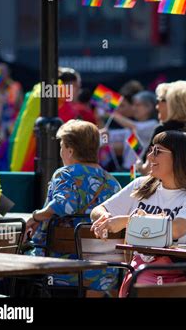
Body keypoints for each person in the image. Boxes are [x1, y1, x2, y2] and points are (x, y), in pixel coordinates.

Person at [89, 131, 186, 297]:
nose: (150, 156)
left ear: (179, 158)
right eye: (151, 150)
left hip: (181, 274)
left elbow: (177, 228)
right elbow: (98, 210)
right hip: (141, 271)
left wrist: (127, 221)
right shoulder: (141, 185)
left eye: (157, 151)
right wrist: (106, 218)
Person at [25, 120, 121, 292]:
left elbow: (64, 205)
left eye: (61, 146)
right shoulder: (113, 183)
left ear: (70, 150)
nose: (60, 152)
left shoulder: (66, 174)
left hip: (61, 269)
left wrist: (35, 216)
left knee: (12, 259)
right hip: (104, 274)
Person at [136, 81, 186, 174]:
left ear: (171, 103)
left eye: (159, 100)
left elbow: (148, 169)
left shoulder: (161, 131)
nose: (157, 106)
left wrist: (139, 165)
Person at [112, 91, 159, 169]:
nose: (134, 108)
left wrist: (111, 113)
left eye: (138, 105)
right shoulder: (131, 127)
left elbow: (135, 127)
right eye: (133, 105)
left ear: (149, 107)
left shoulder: (153, 124)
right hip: (128, 169)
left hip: (140, 170)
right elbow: (110, 136)